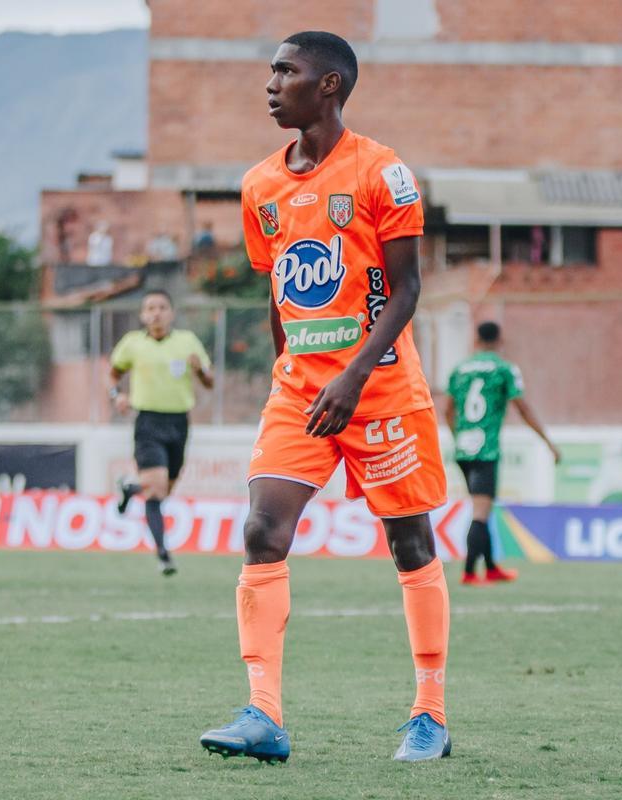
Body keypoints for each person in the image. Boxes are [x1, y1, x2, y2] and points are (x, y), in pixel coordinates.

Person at [198, 31, 451, 764]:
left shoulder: (383, 172)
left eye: (287, 71)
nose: (271, 84)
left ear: (330, 84)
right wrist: (291, 372)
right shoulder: (258, 186)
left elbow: (405, 292)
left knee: (409, 544)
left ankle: (429, 716)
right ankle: (263, 715)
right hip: (301, 394)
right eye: (272, 71)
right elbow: (277, 293)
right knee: (261, 531)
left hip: (380, 391)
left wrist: (352, 375)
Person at [445, 321, 560, 585]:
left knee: (482, 507)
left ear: (476, 340)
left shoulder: (459, 369)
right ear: (499, 340)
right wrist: (547, 442)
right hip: (487, 449)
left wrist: (458, 437)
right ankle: (470, 572)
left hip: (463, 448)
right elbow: (523, 408)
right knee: (481, 512)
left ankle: (492, 567)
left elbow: (448, 410)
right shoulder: (504, 369)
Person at [109, 290, 214, 574]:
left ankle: (131, 489)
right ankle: (163, 554)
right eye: (150, 308)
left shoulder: (187, 342)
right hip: (148, 423)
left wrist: (201, 372)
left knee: (164, 488)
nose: (156, 313)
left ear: (171, 313)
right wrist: (116, 394)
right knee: (155, 491)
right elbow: (114, 372)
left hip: (179, 423)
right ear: (143, 315)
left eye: (162, 307)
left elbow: (210, 381)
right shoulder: (132, 344)